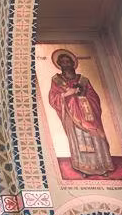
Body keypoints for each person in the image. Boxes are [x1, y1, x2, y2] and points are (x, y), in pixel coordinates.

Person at [47, 49, 114, 177]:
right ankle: (83, 168)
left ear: (73, 63)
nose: (66, 64)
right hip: (71, 115)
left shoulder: (84, 80)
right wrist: (66, 94)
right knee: (78, 139)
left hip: (89, 115)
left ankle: (102, 166)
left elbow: (94, 97)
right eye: (63, 62)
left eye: (68, 62)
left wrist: (83, 96)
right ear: (59, 65)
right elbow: (53, 98)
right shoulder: (56, 80)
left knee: (95, 138)